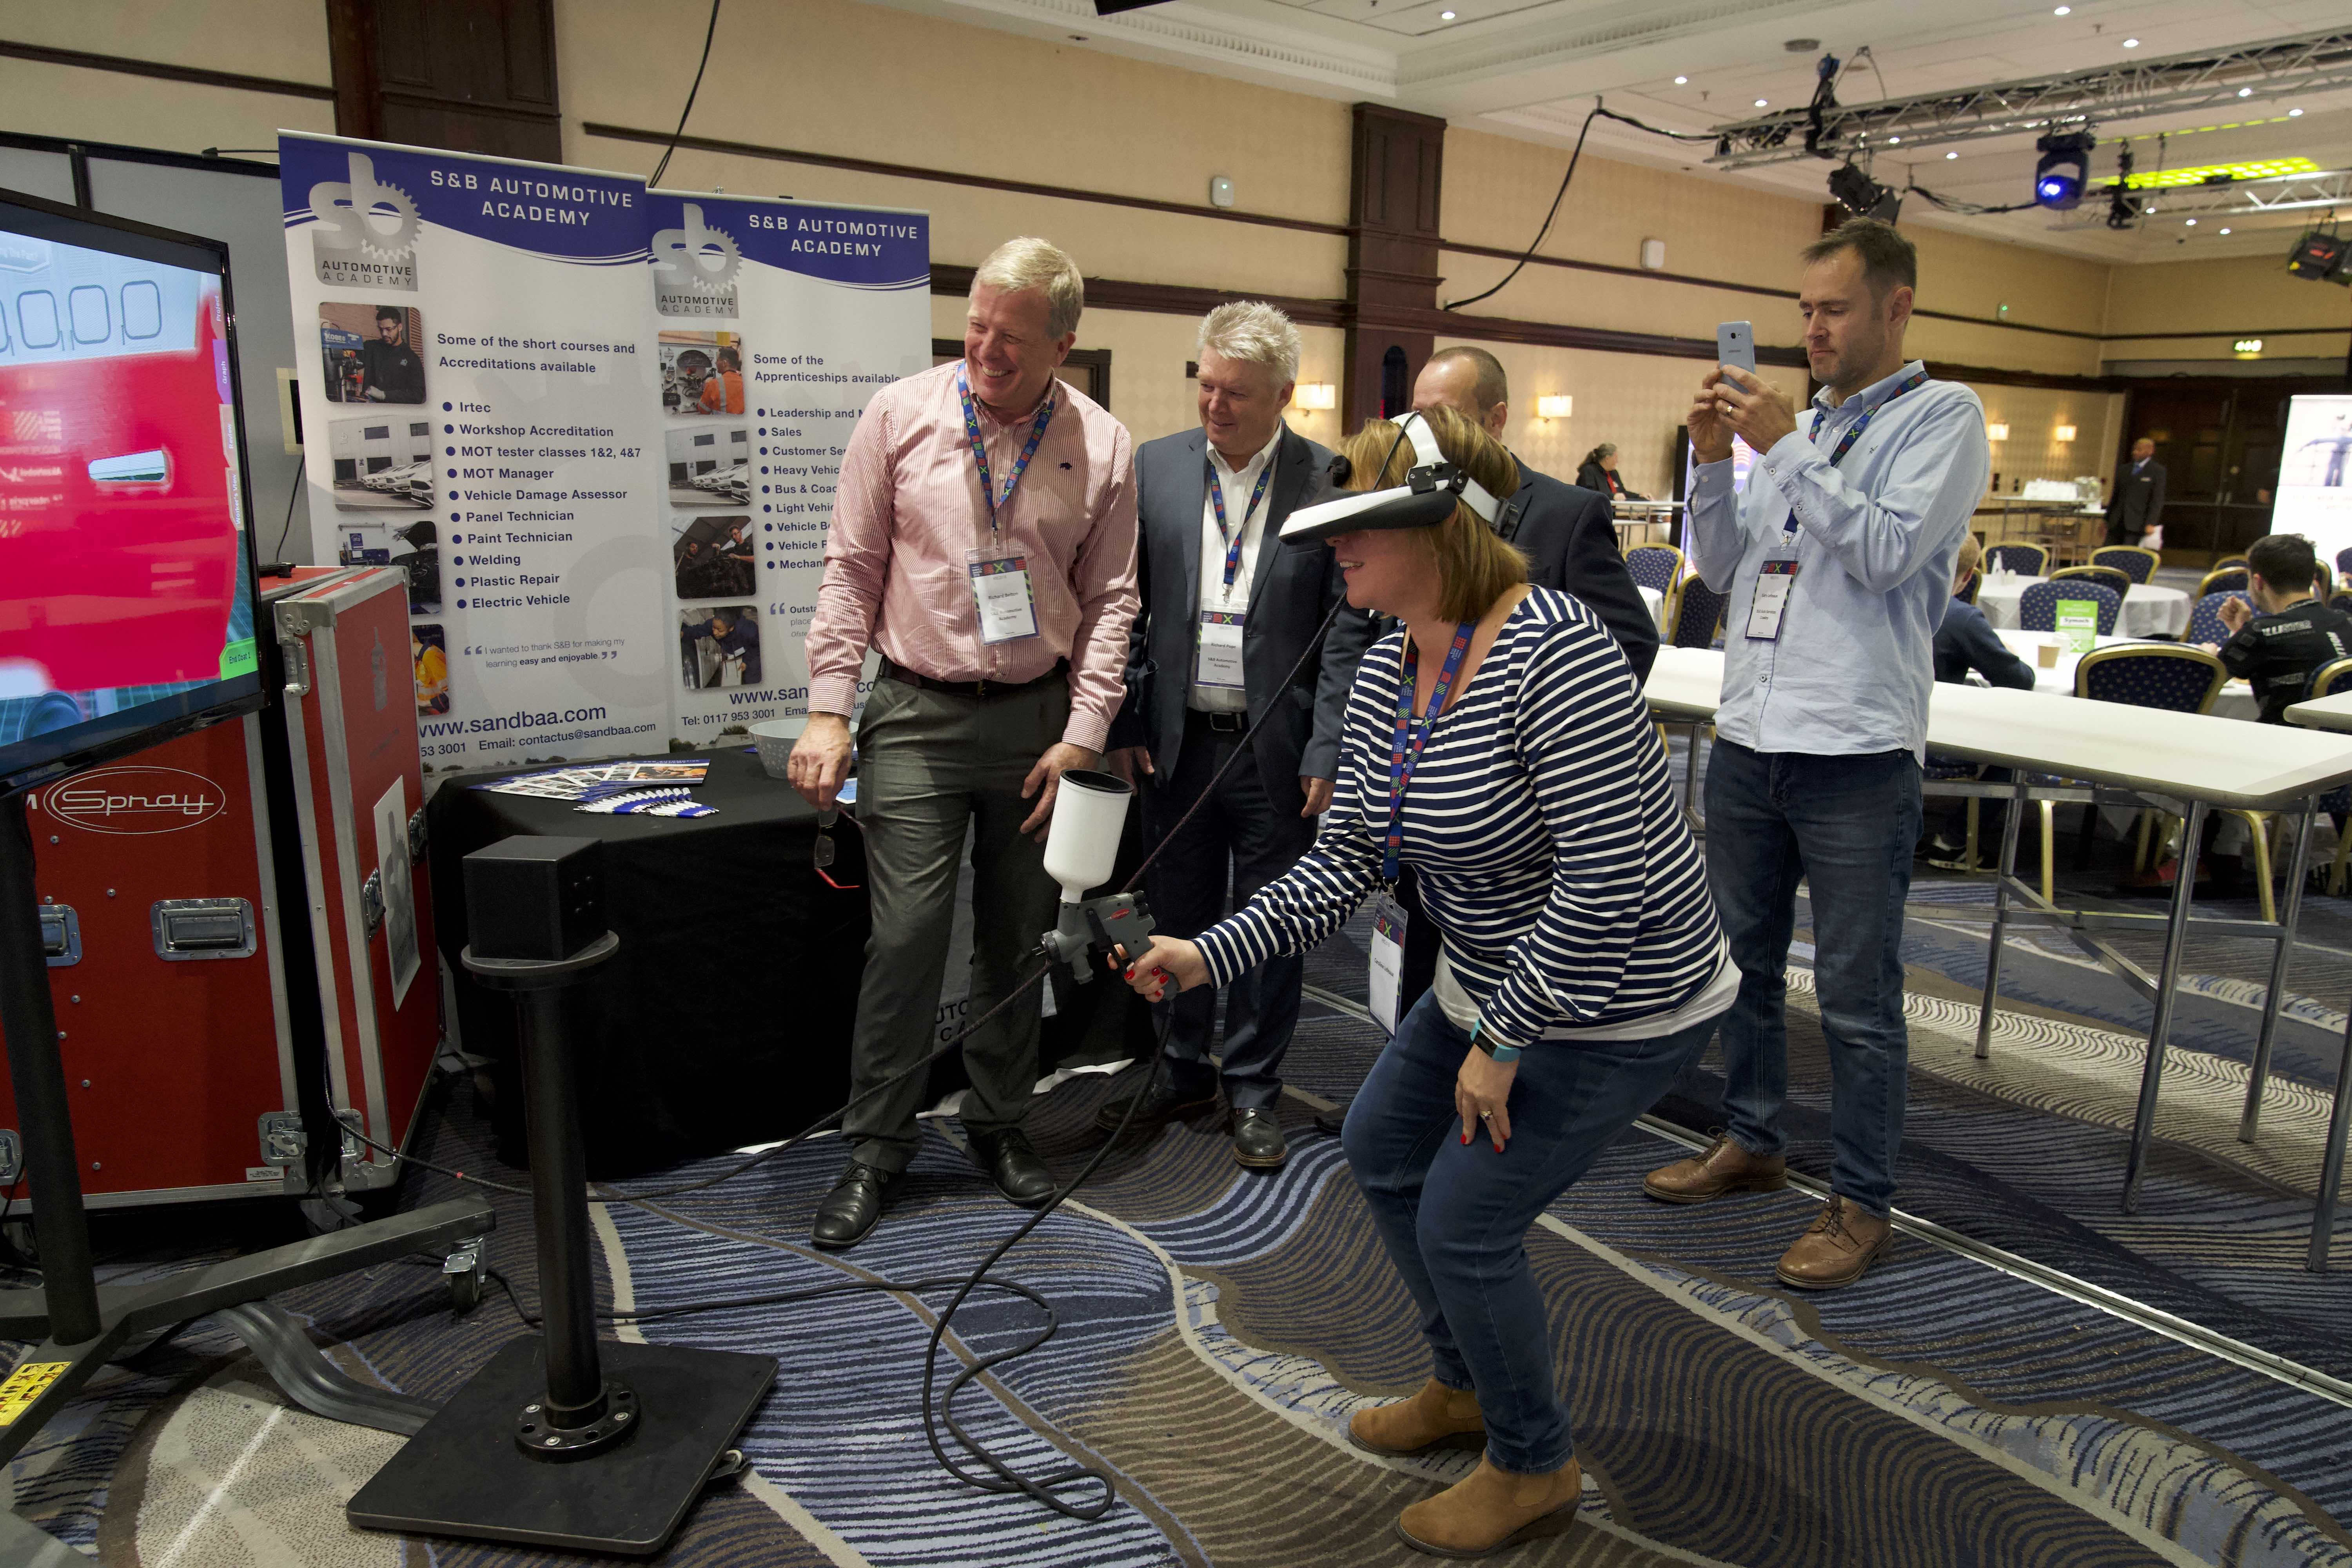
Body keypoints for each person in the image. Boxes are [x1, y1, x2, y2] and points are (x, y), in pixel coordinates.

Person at [1120, 406, 1730, 1558]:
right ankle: (1466, 1384)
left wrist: (1502, 1042)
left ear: (1445, 528)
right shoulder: (1389, 665)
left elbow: (1605, 881)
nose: (1334, 547)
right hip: (1492, 980)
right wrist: (1206, 951)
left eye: (1360, 525)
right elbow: (1348, 858)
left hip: (1618, 999)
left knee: (1463, 1218)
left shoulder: (1556, 652)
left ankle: (1535, 1461)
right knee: (1382, 1148)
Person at [1646, 216, 1989, 1290]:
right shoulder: (1806, 427)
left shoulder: (1944, 418)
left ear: (1896, 307)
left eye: (1834, 310)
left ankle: (1863, 1200)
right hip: (1754, 737)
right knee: (1738, 964)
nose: (1814, 330)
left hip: (1855, 751)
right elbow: (1720, 566)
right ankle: (1753, 1138)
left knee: (1854, 994)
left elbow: (1885, 553)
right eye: (1804, 311)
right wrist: (1713, 464)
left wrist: (1784, 447)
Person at [789, 236, 1139, 1249]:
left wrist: (1086, 732)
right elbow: (852, 568)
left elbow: (1113, 602)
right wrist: (828, 707)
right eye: (977, 326)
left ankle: (999, 1119)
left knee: (1019, 936)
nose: (986, 348)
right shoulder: (898, 414)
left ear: (1062, 345)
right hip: (916, 713)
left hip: (1038, 723)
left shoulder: (1102, 445)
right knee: (906, 938)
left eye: (1012, 337)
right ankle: (876, 1147)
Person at [1099, 302, 1376, 1170]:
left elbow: (1345, 631)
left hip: (1276, 751)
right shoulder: (1158, 465)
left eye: (1238, 393)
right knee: (1175, 913)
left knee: (1270, 923)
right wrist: (1125, 717)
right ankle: (1180, 1067)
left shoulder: (1329, 480)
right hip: (1175, 743)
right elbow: (1126, 607)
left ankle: (1253, 1086)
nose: (1216, 405)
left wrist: (1329, 748)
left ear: (1284, 394)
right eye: (1208, 386)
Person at [1922, 534, 2033, 869]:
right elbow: (2019, 681)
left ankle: (1914, 834)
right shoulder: (1961, 618)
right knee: (2019, 750)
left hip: (1878, 730)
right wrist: (2005, 653)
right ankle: (1954, 841)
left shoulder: (1880, 603)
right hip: (1935, 739)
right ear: (1969, 576)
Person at [2208, 533, 2352, 723]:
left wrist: (2206, 658)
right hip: (2341, 737)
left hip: (2280, 737)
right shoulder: (2346, 621)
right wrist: (2241, 630)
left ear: (2258, 582)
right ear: (2313, 579)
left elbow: (2201, 687)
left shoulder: (2260, 633)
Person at [2106, 437, 2165, 547]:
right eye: (2134, 449)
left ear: (2150, 451)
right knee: (2109, 552)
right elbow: (2115, 496)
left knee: (2128, 553)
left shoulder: (2157, 471)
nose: (2135, 453)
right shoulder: (2124, 470)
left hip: (2137, 523)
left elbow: (2157, 499)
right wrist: (2107, 519)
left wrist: (2151, 523)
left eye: (2139, 450)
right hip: (2117, 521)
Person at [360, 308, 424, 404]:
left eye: (389, 329)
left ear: (400, 327)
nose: (384, 334)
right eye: (381, 329)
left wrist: (385, 395)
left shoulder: (412, 359)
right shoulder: (371, 347)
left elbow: (418, 395)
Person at [682, 609, 760, 687]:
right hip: (739, 650)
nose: (715, 633)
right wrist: (683, 633)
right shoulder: (714, 624)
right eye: (714, 628)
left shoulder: (749, 631)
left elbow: (756, 646)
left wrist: (746, 661)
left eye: (719, 630)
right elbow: (698, 630)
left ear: (731, 629)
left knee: (752, 676)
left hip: (754, 650)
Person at [1574, 443, 1646, 502]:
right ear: (1607, 459)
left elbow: (1622, 492)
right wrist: (1613, 497)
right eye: (1616, 458)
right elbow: (1589, 493)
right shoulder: (1588, 471)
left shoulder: (1613, 473)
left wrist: (1639, 496)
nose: (1617, 461)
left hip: (1610, 512)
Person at [698, 345, 746, 415]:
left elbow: (703, 410)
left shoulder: (714, 384)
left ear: (724, 363)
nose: (716, 363)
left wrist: (706, 388)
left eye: (718, 360)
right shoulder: (745, 382)